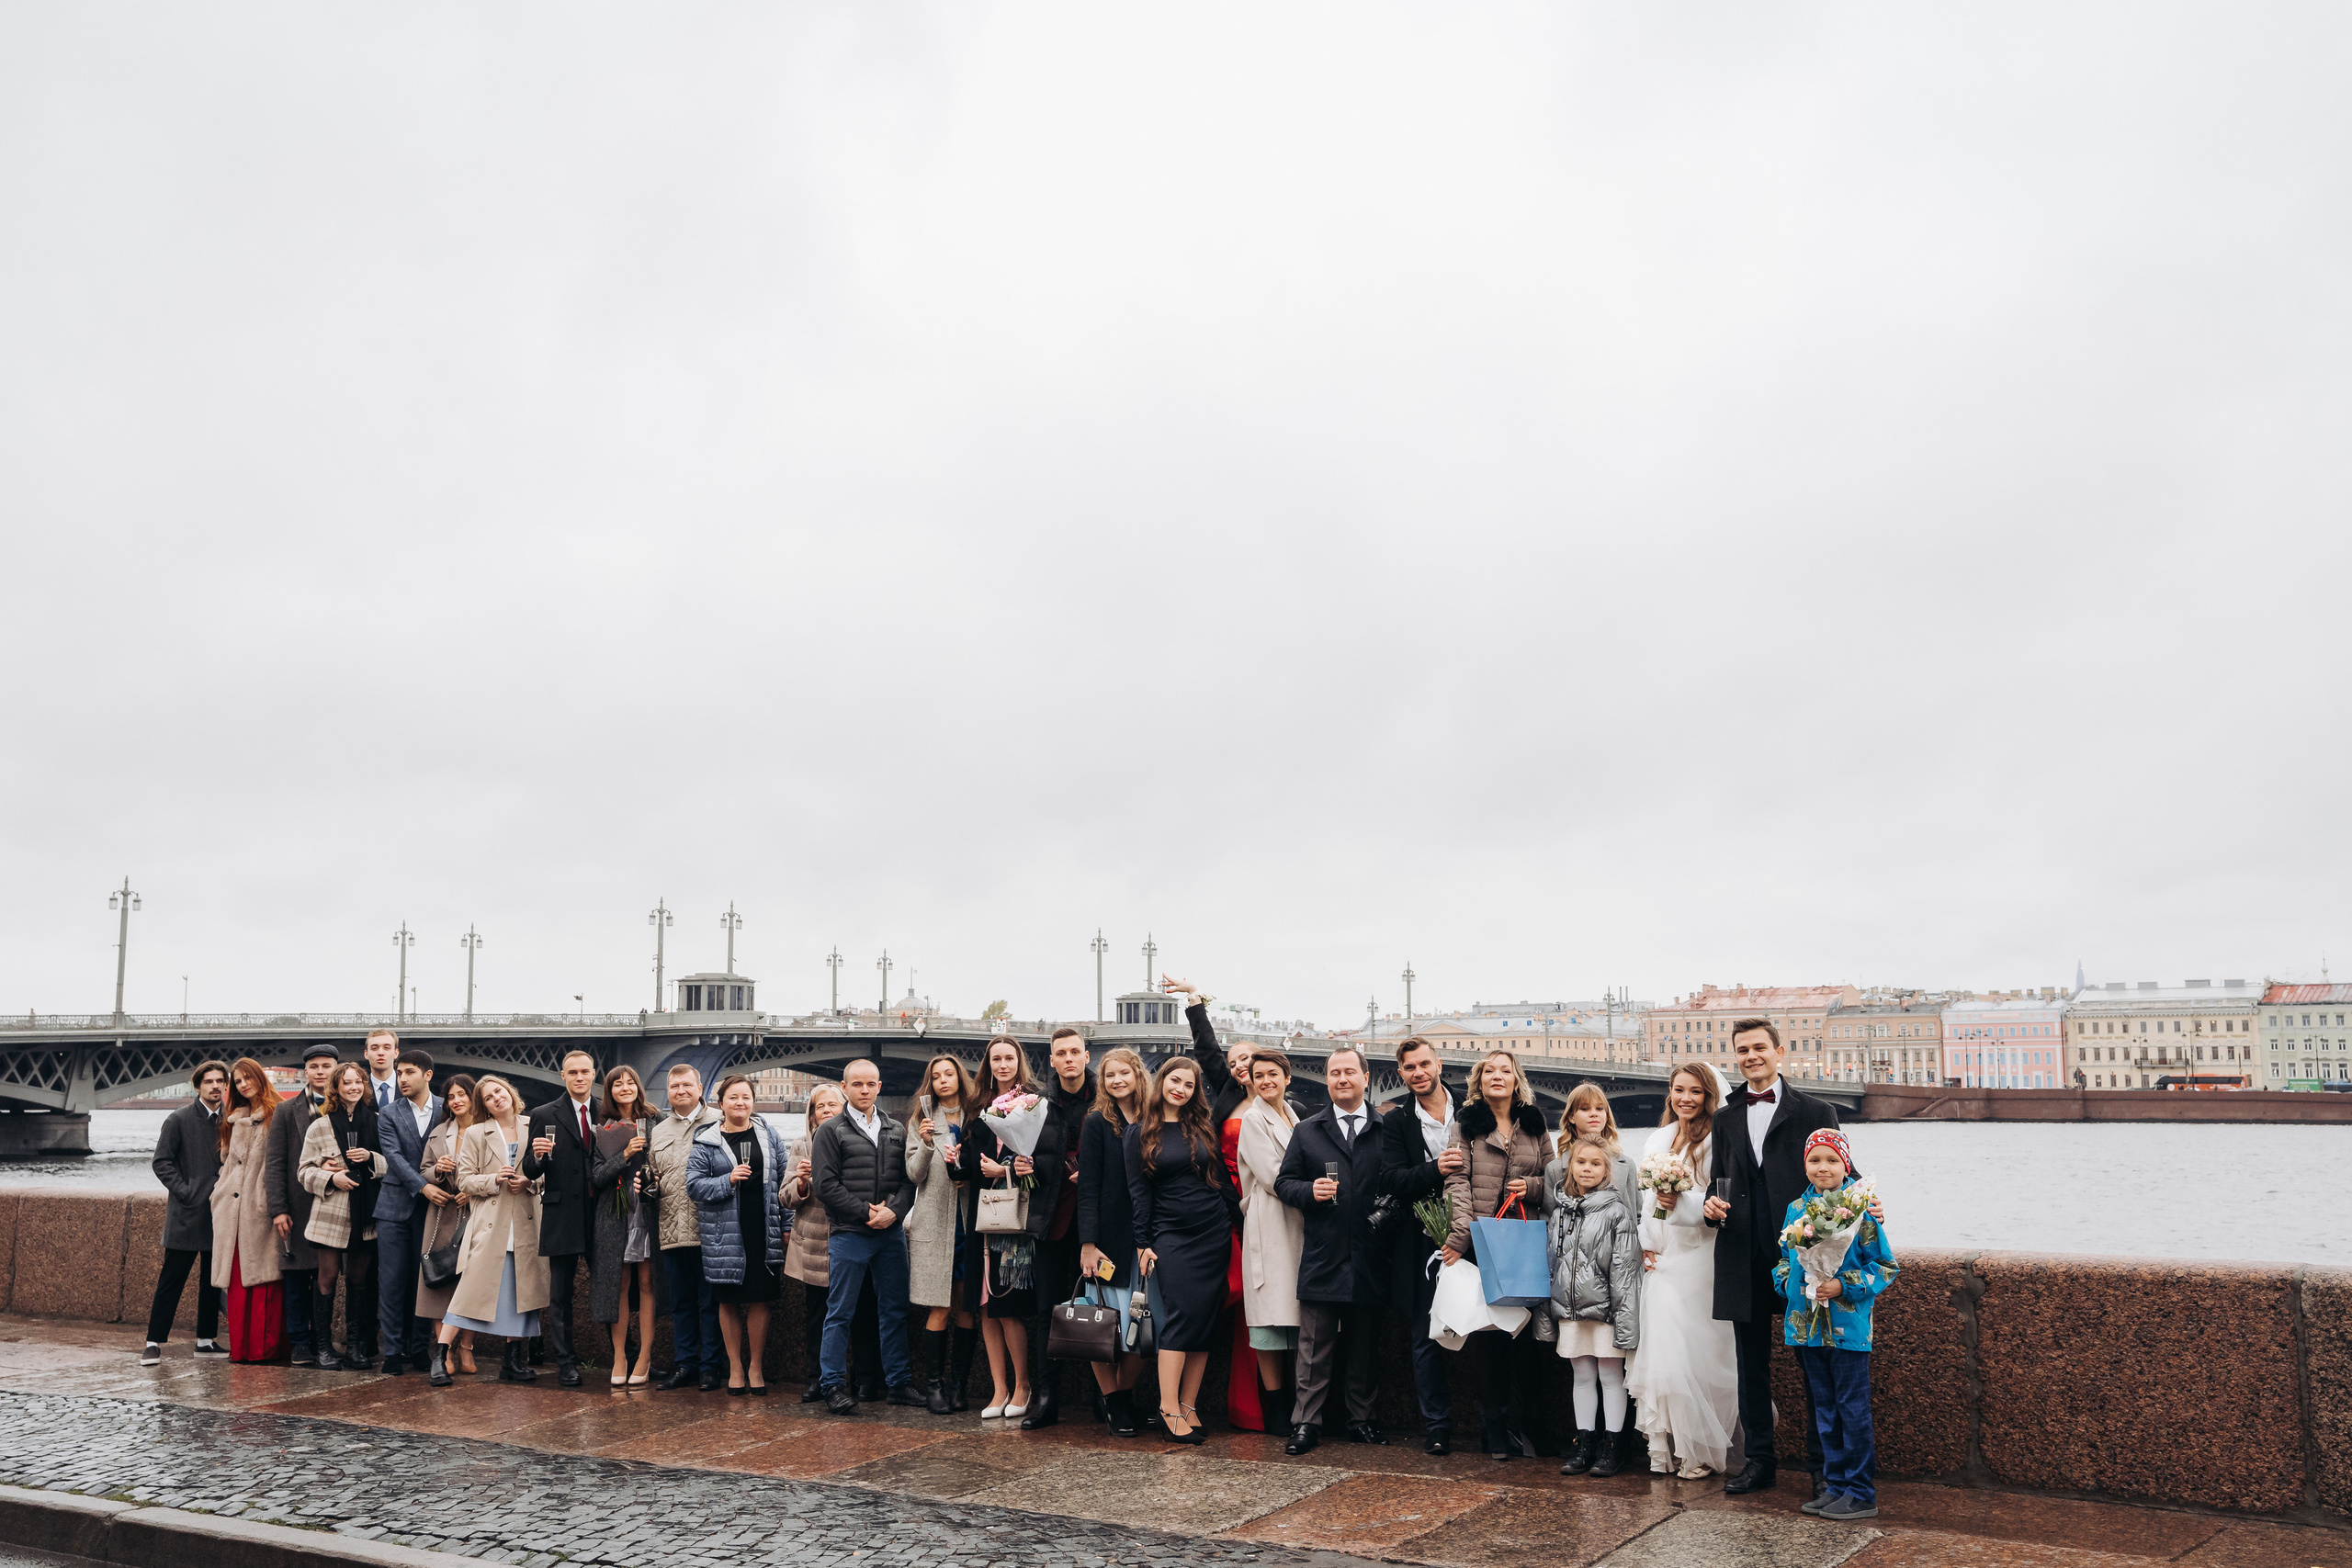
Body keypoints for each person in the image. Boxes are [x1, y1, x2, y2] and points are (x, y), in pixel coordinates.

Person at [1702, 1017, 1848, 1498]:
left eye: (1759, 1048)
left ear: (1779, 1052)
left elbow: (1842, 1176)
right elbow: (1719, 1182)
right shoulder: (1724, 1117)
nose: (1751, 1057)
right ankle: (1759, 1462)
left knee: (1813, 1364)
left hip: (1800, 1257)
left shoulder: (1817, 1111)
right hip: (1741, 1252)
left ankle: (1823, 1467)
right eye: (1742, 1050)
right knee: (1751, 1368)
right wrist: (1710, 1207)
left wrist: (1868, 1207)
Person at [1775, 1129, 1897, 1523]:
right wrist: (1789, 1283)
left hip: (1848, 1329)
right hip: (1807, 1326)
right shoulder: (1796, 1209)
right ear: (1805, 1165)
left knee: (1852, 1410)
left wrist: (1843, 1285)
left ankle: (1861, 1492)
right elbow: (1783, 1258)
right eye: (1814, 1160)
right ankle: (1835, 1486)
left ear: (1846, 1165)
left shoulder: (1860, 1210)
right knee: (1824, 1409)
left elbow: (1885, 1266)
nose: (1822, 1168)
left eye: (1832, 1160)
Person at [1272, 1043, 1386, 1455]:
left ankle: (1362, 1420)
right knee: (1313, 1348)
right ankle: (1305, 1423)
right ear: (1327, 1079)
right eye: (1335, 1073)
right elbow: (1284, 1183)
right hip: (1324, 1254)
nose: (1342, 1079)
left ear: (1365, 1078)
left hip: (1371, 1254)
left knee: (1365, 1347)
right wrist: (1309, 1191)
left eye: (1349, 1072)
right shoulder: (1308, 1130)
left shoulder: (1385, 1128)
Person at [1442, 1049, 1554, 1461]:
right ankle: (1495, 1429)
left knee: (1526, 1343)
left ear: (1516, 1079)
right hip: (1482, 1244)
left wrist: (1532, 1188)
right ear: (1479, 1080)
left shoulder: (1535, 1123)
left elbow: (1554, 1178)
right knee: (1488, 1341)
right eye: (1489, 1070)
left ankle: (1534, 1428)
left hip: (1523, 1244)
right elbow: (1457, 1182)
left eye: (1505, 1070)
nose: (1497, 1076)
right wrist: (1461, 1236)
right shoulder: (1466, 1125)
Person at [1627, 1063, 1737, 1478]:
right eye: (1678, 1090)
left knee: (1697, 1357)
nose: (1685, 1099)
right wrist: (1647, 1242)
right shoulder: (1660, 1137)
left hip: (1700, 1257)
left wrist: (1680, 1203)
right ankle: (1665, 1447)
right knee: (1662, 1354)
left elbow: (1717, 1199)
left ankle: (1699, 1451)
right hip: (1663, 1259)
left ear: (1709, 1095)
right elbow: (1648, 1203)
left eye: (1695, 1091)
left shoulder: (1717, 1138)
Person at [1125, 1056, 1239, 1444]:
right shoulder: (1139, 1131)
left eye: (1189, 1085)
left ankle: (1189, 1405)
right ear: (1162, 1082)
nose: (1181, 1089)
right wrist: (1143, 1242)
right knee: (1180, 1317)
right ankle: (1168, 1407)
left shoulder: (1201, 1126)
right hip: (1171, 1235)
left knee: (1204, 1320)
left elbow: (1220, 1181)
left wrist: (1240, 1220)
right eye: (1176, 1081)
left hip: (1213, 1232)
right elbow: (1139, 1192)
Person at [1170, 977, 1264, 1430]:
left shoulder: (1288, 1108)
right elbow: (1207, 1049)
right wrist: (1195, 1001)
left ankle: (1254, 1406)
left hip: (1267, 1210)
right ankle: (1181, 1399)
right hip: (1225, 1209)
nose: (1240, 1065)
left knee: (1258, 1311)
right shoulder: (1226, 1095)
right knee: (1227, 1291)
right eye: (1234, 1061)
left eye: (1248, 1058)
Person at [809, 1059, 921, 1414]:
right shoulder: (830, 1131)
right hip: (849, 1233)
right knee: (840, 1311)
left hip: (890, 1235)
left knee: (895, 1310)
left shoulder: (895, 1129)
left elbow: (908, 1181)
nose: (864, 1090)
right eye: (857, 1084)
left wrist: (894, 1212)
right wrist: (865, 1212)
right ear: (844, 1088)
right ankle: (832, 1386)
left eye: (870, 1084)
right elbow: (825, 1185)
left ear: (879, 1086)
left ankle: (899, 1383)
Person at [1377, 1036, 1464, 1453]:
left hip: (1473, 1232)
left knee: (1487, 1331)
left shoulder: (1472, 1107)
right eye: (1410, 1068)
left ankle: (1499, 1425)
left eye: (1424, 1064)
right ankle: (1437, 1426)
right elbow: (1391, 1179)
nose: (1418, 1073)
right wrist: (1435, 1169)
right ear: (1401, 1073)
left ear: (1439, 1065)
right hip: (1420, 1240)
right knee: (1424, 1336)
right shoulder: (1396, 1121)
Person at [955, 1037, 1043, 1418]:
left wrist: (1004, 1169)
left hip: (1014, 1219)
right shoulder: (977, 1107)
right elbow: (969, 1169)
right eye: (996, 1059)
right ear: (988, 1065)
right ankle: (999, 1389)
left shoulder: (1033, 1102)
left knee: (1008, 1306)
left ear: (1019, 1062)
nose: (1003, 1065)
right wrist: (956, 1162)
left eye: (1009, 1058)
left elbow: (1040, 1161)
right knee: (985, 1306)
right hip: (983, 1215)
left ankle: (1023, 1386)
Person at [690, 1073, 791, 1394]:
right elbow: (694, 1185)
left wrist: (787, 1225)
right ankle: (735, 1366)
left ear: (753, 1102)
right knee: (729, 1300)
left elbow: (784, 1181)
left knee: (760, 1299)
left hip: (762, 1227)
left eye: (746, 1097)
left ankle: (755, 1366)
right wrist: (728, 1180)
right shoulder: (706, 1140)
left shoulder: (768, 1134)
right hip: (724, 1232)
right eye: (733, 1097)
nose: (740, 1103)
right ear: (720, 1103)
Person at [444, 1075, 548, 1383]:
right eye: (488, 1098)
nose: (496, 1098)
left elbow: (551, 1171)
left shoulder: (534, 1125)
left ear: (510, 1093)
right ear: (484, 1106)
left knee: (523, 1292)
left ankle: (512, 1360)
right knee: (469, 1291)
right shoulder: (477, 1132)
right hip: (491, 1223)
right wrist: (493, 1180)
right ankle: (440, 1352)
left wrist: (530, 1182)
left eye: (499, 1092)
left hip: (527, 1220)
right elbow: (464, 1180)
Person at [1549, 1135, 1642, 1477]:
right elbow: (1552, 1263)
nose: (1587, 1169)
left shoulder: (1617, 1212)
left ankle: (1613, 1446)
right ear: (1570, 1166)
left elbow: (1625, 1270)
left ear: (1607, 1170)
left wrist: (1623, 1318)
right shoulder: (1560, 1212)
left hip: (1605, 1312)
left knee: (1610, 1376)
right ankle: (1584, 1443)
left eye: (1595, 1163)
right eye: (1581, 1162)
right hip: (1571, 1311)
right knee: (1583, 1375)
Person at [1021, 1028, 1093, 1429]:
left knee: (1102, 1308)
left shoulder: (1105, 1100)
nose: (1068, 1059)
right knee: (1047, 1311)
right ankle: (1047, 1397)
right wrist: (1020, 1166)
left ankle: (1106, 1397)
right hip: (1051, 1219)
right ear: (1052, 1061)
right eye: (1061, 1053)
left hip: (1095, 1223)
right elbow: (1027, 1156)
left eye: (1074, 1052)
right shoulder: (1036, 1104)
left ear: (1086, 1056)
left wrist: (1095, 1174)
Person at [1076, 1047, 1148, 1436]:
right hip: (1108, 1243)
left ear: (1138, 1075)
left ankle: (1123, 1397)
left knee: (1144, 1326)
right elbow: (1087, 1188)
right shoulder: (1097, 1122)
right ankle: (1115, 1403)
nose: (1117, 1080)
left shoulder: (1155, 1118)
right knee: (1101, 1327)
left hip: (1147, 1242)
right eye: (1109, 1075)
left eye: (1124, 1073)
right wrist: (1088, 1244)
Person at [1234, 1049, 1304, 1437]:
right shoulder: (1252, 1119)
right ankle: (1276, 1408)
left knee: (1293, 1316)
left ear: (1287, 1078)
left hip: (1297, 1223)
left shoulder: (1294, 1116)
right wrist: (1313, 1190)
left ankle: (1296, 1403)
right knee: (1268, 1321)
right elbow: (1274, 1176)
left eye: (1273, 1074)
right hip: (1270, 1219)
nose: (1266, 1081)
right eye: (1258, 1075)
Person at [522, 1049, 601, 1388]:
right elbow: (528, 1169)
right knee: (560, 1295)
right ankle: (566, 1362)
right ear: (563, 1076)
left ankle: (625, 1356)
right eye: (573, 1072)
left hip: (600, 1213)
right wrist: (538, 1157)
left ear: (594, 1074)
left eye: (585, 1071)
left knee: (609, 1289)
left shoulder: (607, 1111)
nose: (579, 1077)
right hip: (561, 1213)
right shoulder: (543, 1113)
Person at [142, 1059, 229, 1366]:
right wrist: (186, 1192)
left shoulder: (231, 1120)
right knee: (171, 1281)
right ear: (197, 1086)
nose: (215, 1086)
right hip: (186, 1214)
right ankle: (153, 1343)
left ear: (225, 1085)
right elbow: (161, 1162)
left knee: (211, 1281)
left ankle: (205, 1341)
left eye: (220, 1081)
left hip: (219, 1213)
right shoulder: (178, 1119)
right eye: (208, 1082)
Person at [299, 1060, 382, 1372]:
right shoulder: (319, 1126)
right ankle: (323, 1348)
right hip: (331, 1212)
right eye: (347, 1082)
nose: (354, 1087)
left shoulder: (377, 1122)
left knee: (359, 1280)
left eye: (358, 1081)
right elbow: (303, 1172)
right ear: (336, 1087)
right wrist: (331, 1178)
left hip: (366, 1212)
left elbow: (394, 1164)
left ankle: (355, 1347)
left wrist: (371, 1158)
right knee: (327, 1277)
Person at [905, 1052, 978, 1414]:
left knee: (966, 1308)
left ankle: (960, 1386)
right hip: (934, 1226)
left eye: (949, 1074)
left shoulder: (976, 1117)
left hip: (969, 1224)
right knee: (939, 1306)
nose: (943, 1081)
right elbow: (914, 1175)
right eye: (937, 1076)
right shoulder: (921, 1121)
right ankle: (934, 1386)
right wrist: (925, 1143)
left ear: (960, 1078)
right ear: (930, 1083)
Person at [648, 1063, 724, 1391]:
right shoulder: (659, 1131)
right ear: (668, 1092)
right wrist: (647, 1185)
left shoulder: (720, 1121)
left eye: (687, 1085)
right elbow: (655, 1175)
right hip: (671, 1230)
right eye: (675, 1086)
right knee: (680, 1304)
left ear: (700, 1089)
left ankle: (710, 1367)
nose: (681, 1091)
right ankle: (685, 1364)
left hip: (711, 1229)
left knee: (711, 1303)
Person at [372, 1046, 442, 1375]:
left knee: (425, 1282)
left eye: (409, 1072)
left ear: (428, 1075)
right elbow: (394, 1157)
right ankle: (393, 1351)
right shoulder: (388, 1113)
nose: (401, 1078)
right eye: (399, 1072)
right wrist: (423, 1186)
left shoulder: (446, 1108)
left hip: (433, 1209)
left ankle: (419, 1349)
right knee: (392, 1282)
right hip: (394, 1207)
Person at [266, 1043, 338, 1367]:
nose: (320, 1072)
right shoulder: (286, 1110)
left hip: (335, 1205)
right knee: (296, 1278)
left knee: (327, 1278)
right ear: (305, 1072)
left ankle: (323, 1340)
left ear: (336, 1069)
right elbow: (275, 1163)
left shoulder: (347, 1106)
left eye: (326, 1066)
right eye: (314, 1067)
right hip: (297, 1207)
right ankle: (299, 1343)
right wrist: (278, 1209)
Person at [209, 1058, 284, 1362]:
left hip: (261, 1210)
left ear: (260, 1078)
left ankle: (264, 1349)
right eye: (238, 1081)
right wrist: (219, 1193)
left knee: (265, 1278)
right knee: (239, 1281)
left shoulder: (277, 1113)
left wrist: (270, 1202)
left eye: (247, 1078)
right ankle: (241, 1348)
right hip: (232, 1211)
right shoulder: (233, 1119)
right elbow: (227, 1164)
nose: (243, 1085)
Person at [590, 1065, 657, 1388]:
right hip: (615, 1214)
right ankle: (620, 1356)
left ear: (638, 1087)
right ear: (610, 1092)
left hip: (647, 1209)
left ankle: (644, 1356)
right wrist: (624, 1155)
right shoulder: (603, 1127)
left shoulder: (655, 1121)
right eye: (618, 1084)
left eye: (630, 1082)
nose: (625, 1088)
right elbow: (597, 1176)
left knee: (647, 1283)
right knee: (619, 1283)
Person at [782, 1082, 845, 1401]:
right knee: (816, 1314)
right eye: (820, 1106)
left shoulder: (855, 1141)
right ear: (811, 1114)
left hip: (848, 1239)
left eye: (833, 1104)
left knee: (853, 1313)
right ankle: (816, 1378)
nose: (827, 1110)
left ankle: (856, 1379)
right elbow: (785, 1197)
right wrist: (802, 1183)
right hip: (814, 1245)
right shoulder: (800, 1146)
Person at [415, 1074, 479, 1381]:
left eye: (462, 1094)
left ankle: (467, 1347)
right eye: (451, 1096)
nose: (456, 1101)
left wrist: (474, 1189)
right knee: (438, 1282)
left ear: (473, 1097)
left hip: (475, 1214)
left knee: (471, 1282)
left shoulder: (486, 1128)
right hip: (442, 1212)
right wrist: (438, 1171)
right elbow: (424, 1170)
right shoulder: (439, 1132)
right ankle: (445, 1351)